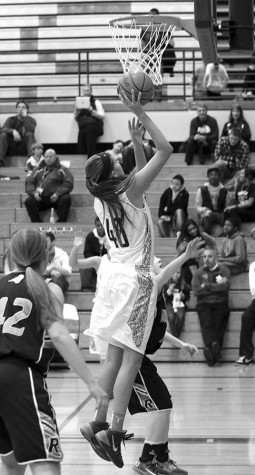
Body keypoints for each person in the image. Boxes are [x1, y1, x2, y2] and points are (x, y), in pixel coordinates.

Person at [81, 90, 173, 468]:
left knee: (113, 355)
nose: (120, 161)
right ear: (115, 174)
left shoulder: (101, 197)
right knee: (131, 361)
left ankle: (98, 421)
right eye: (115, 160)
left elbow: (139, 180)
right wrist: (140, 113)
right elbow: (165, 150)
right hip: (135, 279)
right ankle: (113, 432)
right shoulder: (129, 189)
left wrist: (136, 144)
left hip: (111, 277)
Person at [70, 236, 202, 475]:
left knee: (163, 406)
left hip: (141, 359)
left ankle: (156, 458)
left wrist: (181, 343)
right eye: (158, 262)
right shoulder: (148, 287)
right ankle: (149, 460)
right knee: (161, 406)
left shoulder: (154, 298)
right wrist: (185, 257)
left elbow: (157, 330)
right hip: (133, 362)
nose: (161, 263)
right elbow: (161, 276)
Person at [0, 228, 107, 475]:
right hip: (20, 378)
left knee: (12, 463)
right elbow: (59, 334)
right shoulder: (44, 287)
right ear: (47, 255)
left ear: (11, 255)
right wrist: (91, 382)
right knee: (45, 462)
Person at [192, 246, 231, 366]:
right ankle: (215, 353)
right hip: (204, 304)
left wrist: (208, 286)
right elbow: (196, 291)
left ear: (216, 257)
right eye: (204, 256)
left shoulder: (223, 270)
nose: (206, 259)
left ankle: (211, 356)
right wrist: (216, 287)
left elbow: (225, 288)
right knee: (207, 325)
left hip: (221, 302)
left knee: (219, 326)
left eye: (209, 256)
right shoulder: (198, 272)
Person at [25, 148, 74, 222]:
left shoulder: (62, 169)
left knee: (66, 199)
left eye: (50, 157)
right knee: (29, 201)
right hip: (41, 198)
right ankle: (36, 222)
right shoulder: (38, 169)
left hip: (57, 198)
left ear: (55, 157)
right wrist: (34, 193)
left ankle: (61, 222)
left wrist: (57, 194)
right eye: (46, 157)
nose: (48, 159)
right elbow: (29, 182)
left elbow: (68, 183)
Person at [0, 100, 36, 166]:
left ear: (27, 109)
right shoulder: (10, 119)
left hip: (24, 146)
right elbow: (2, 129)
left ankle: (32, 161)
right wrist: (13, 131)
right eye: (19, 107)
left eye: (23, 107)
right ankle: (0, 161)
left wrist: (25, 117)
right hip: (11, 146)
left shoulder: (31, 120)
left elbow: (30, 130)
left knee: (30, 134)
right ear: (16, 109)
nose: (20, 109)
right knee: (3, 135)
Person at [74, 83, 105, 158]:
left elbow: (102, 115)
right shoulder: (79, 102)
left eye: (88, 90)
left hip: (93, 127)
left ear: (91, 91)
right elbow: (75, 118)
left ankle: (92, 161)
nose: (86, 92)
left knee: (91, 147)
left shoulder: (96, 102)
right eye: (84, 91)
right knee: (80, 148)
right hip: (82, 127)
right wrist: (77, 111)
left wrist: (92, 110)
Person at [196, 167, 228, 237]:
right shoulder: (202, 189)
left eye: (215, 174)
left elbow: (226, 205)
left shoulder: (224, 190)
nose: (213, 176)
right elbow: (198, 207)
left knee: (230, 219)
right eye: (211, 174)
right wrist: (204, 210)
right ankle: (207, 238)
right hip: (207, 213)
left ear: (219, 176)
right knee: (207, 218)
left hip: (219, 213)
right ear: (208, 176)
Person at [80, 217, 108, 292]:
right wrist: (95, 260)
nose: (100, 228)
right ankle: (87, 288)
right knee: (84, 268)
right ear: (95, 225)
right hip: (93, 261)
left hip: (107, 261)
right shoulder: (90, 236)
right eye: (98, 225)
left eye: (102, 225)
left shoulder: (109, 236)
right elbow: (87, 252)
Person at [163, 267, 190, 338]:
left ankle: (175, 337)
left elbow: (188, 296)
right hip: (169, 303)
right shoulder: (166, 283)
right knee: (171, 316)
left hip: (179, 303)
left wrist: (183, 296)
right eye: (174, 273)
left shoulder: (183, 284)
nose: (176, 275)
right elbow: (163, 297)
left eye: (178, 273)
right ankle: (176, 337)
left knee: (180, 316)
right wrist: (169, 291)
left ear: (181, 274)